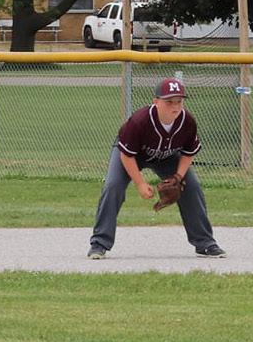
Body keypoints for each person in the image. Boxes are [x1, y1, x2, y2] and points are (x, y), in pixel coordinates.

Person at [88, 77, 226, 259]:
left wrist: (178, 177)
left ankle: (205, 243)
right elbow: (127, 155)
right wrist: (140, 183)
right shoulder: (140, 120)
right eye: (169, 101)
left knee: (191, 187)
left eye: (179, 101)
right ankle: (99, 244)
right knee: (113, 186)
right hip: (132, 155)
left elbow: (188, 152)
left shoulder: (187, 121)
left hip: (167, 157)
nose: (175, 106)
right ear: (156, 102)